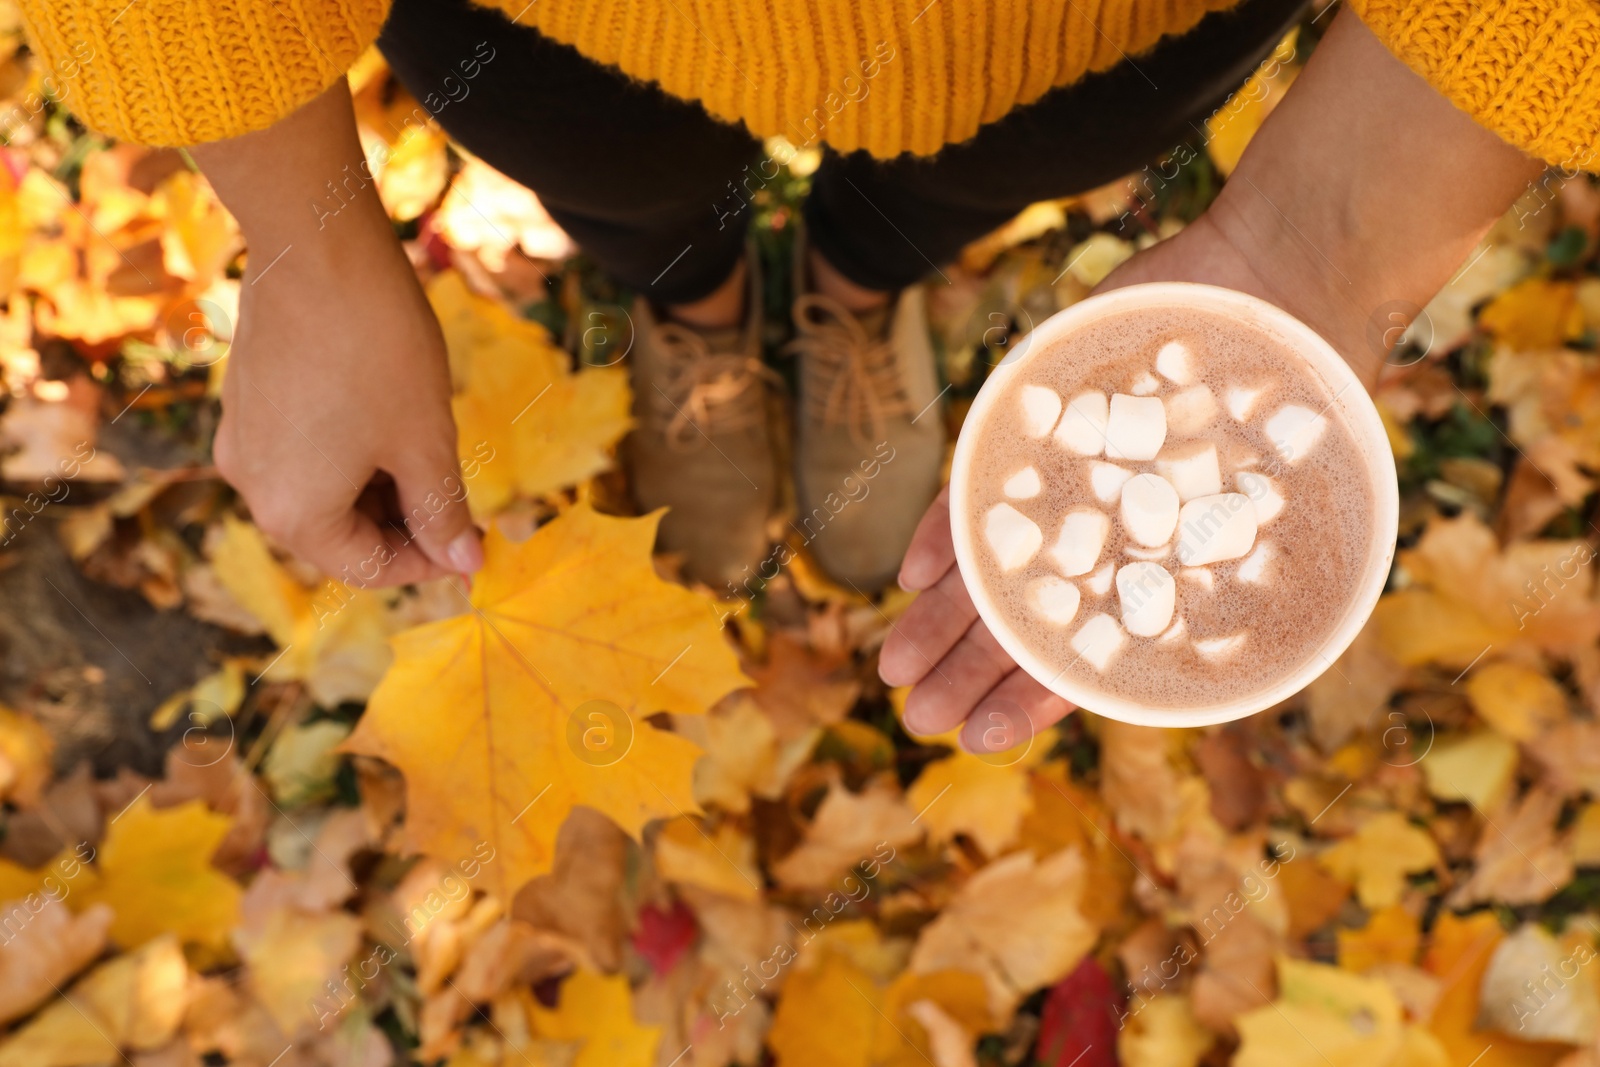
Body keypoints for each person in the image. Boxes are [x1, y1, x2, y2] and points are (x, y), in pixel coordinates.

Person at [20, 0, 1587, 741]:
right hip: (550, 22)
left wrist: (1313, 257)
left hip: (1099, 24)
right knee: (632, 189)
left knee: (972, 178)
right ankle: (695, 314)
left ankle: (851, 290)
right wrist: (302, 242)